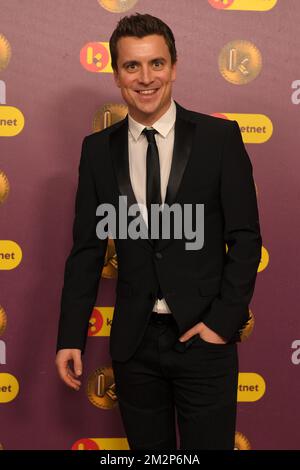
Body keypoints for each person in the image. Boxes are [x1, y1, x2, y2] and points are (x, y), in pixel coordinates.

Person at [55, 13, 262, 450]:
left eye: (156, 64)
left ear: (174, 67)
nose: (145, 78)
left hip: (203, 340)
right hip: (134, 345)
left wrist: (220, 324)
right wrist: (70, 336)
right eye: (132, 66)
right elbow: (87, 251)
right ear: (116, 74)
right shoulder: (96, 151)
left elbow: (245, 239)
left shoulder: (219, 138)